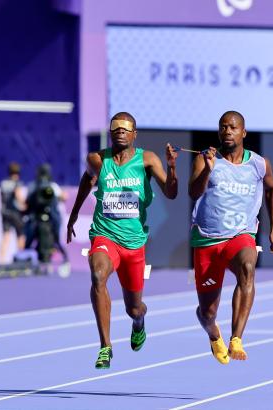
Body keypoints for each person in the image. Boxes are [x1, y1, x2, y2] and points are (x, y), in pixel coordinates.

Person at [66, 112, 178, 369]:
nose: (120, 131)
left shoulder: (147, 160)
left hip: (134, 243)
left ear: (134, 134)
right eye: (116, 127)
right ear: (110, 131)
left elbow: (171, 193)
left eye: (126, 128)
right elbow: (87, 179)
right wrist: (73, 215)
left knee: (134, 308)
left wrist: (171, 167)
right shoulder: (97, 159)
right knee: (98, 275)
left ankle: (139, 323)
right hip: (105, 235)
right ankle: (105, 346)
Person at [189, 110, 273, 364]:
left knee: (248, 266)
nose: (227, 131)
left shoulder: (259, 164)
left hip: (240, 235)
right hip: (207, 240)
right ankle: (214, 334)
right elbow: (193, 193)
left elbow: (272, 189)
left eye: (232, 127)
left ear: (243, 132)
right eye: (223, 127)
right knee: (207, 313)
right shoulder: (206, 159)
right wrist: (207, 170)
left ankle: (236, 338)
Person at [26, 163, 68, 263]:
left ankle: (53, 247)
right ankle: (27, 254)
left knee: (56, 235)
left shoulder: (49, 187)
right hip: (36, 217)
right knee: (30, 235)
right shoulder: (47, 186)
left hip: (51, 217)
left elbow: (63, 197)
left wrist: (56, 197)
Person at [0, 162, 26, 262]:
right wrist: (26, 205)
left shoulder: (3, 183)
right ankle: (21, 259)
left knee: (6, 237)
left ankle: (1, 261)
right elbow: (19, 197)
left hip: (5, 212)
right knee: (20, 235)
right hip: (15, 213)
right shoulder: (17, 183)